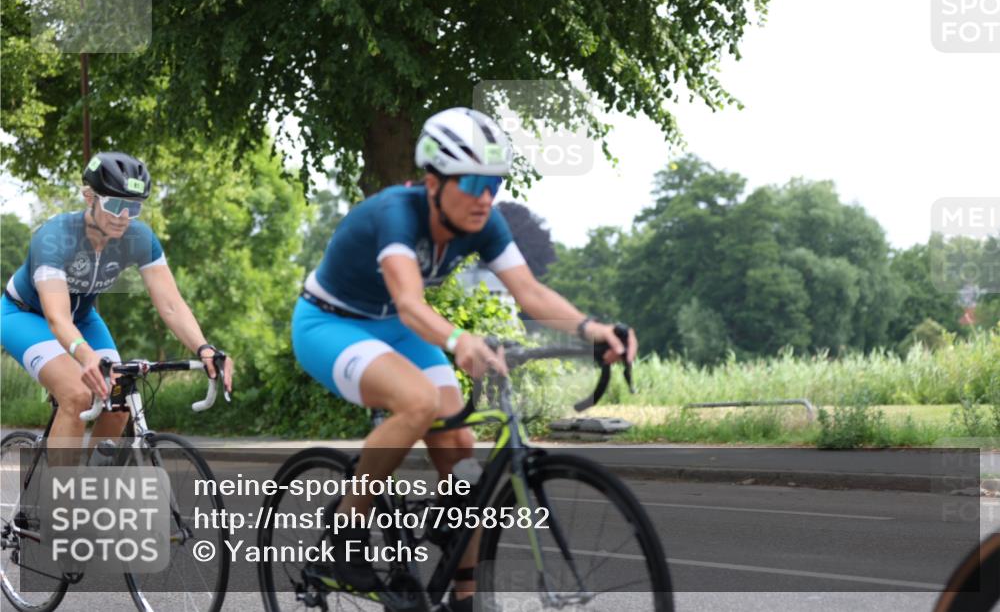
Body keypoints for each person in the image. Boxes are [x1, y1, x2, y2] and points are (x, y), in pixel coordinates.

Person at [292, 108, 637, 611]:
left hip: (395, 328)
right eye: (473, 183)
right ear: (434, 182)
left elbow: (530, 292)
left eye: (494, 185)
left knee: (459, 448)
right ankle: (345, 534)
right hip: (330, 323)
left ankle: (465, 596)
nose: (484, 198)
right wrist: (459, 340)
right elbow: (410, 303)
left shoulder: (484, 222)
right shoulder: (396, 212)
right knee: (418, 401)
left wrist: (593, 330)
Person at [1, 152, 234, 452]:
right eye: (114, 205)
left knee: (120, 396)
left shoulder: (139, 238)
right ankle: (61, 484)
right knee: (77, 394)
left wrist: (204, 348)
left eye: (133, 207)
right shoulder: (54, 237)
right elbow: (57, 317)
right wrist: (86, 356)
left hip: (82, 318)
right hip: (25, 315)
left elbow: (171, 304)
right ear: (89, 197)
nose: (123, 216)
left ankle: (96, 477)